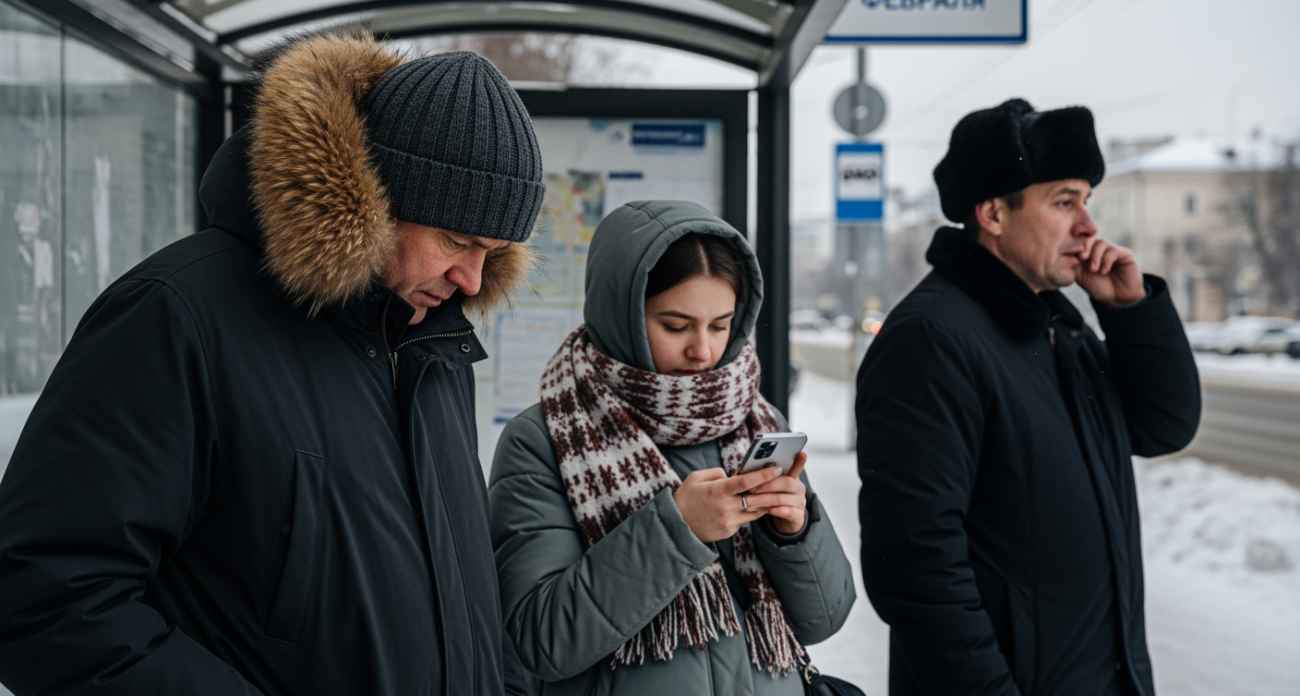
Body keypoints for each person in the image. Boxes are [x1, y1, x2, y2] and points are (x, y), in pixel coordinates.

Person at [0, 33, 542, 695]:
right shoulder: (176, 316)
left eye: (494, 250)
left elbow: (466, 595)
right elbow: (45, 596)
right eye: (457, 240)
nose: (471, 277)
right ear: (372, 199)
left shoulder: (433, 343)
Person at [855, 98, 1201, 696]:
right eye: (1064, 202)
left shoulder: (1056, 327)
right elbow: (917, 569)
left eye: (1086, 202)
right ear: (992, 212)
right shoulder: (933, 340)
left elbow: (1163, 426)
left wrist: (1130, 312)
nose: (1088, 226)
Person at [488, 200, 856, 695]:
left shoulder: (755, 420)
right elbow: (540, 640)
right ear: (624, 318)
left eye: (720, 325)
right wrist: (676, 529)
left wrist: (794, 533)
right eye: (676, 326)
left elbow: (824, 620)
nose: (703, 351)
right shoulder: (545, 439)